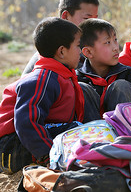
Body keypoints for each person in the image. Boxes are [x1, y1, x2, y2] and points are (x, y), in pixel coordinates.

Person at [0, 18, 85, 173]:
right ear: (61, 51)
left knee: (79, 130)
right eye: (78, 46)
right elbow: (26, 123)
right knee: (76, 130)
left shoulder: (63, 74)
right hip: (11, 147)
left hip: (27, 141)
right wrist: (48, 156)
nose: (80, 50)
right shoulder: (42, 80)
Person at [76, 18, 131, 122]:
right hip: (91, 134)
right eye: (107, 42)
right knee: (82, 88)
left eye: (115, 40)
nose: (115, 47)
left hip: (124, 133)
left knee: (121, 86)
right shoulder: (78, 78)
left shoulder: (128, 74)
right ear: (88, 52)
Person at [22, 0, 99, 76]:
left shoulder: (88, 46)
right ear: (65, 16)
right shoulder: (51, 53)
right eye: (86, 18)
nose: (93, 24)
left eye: (95, 19)